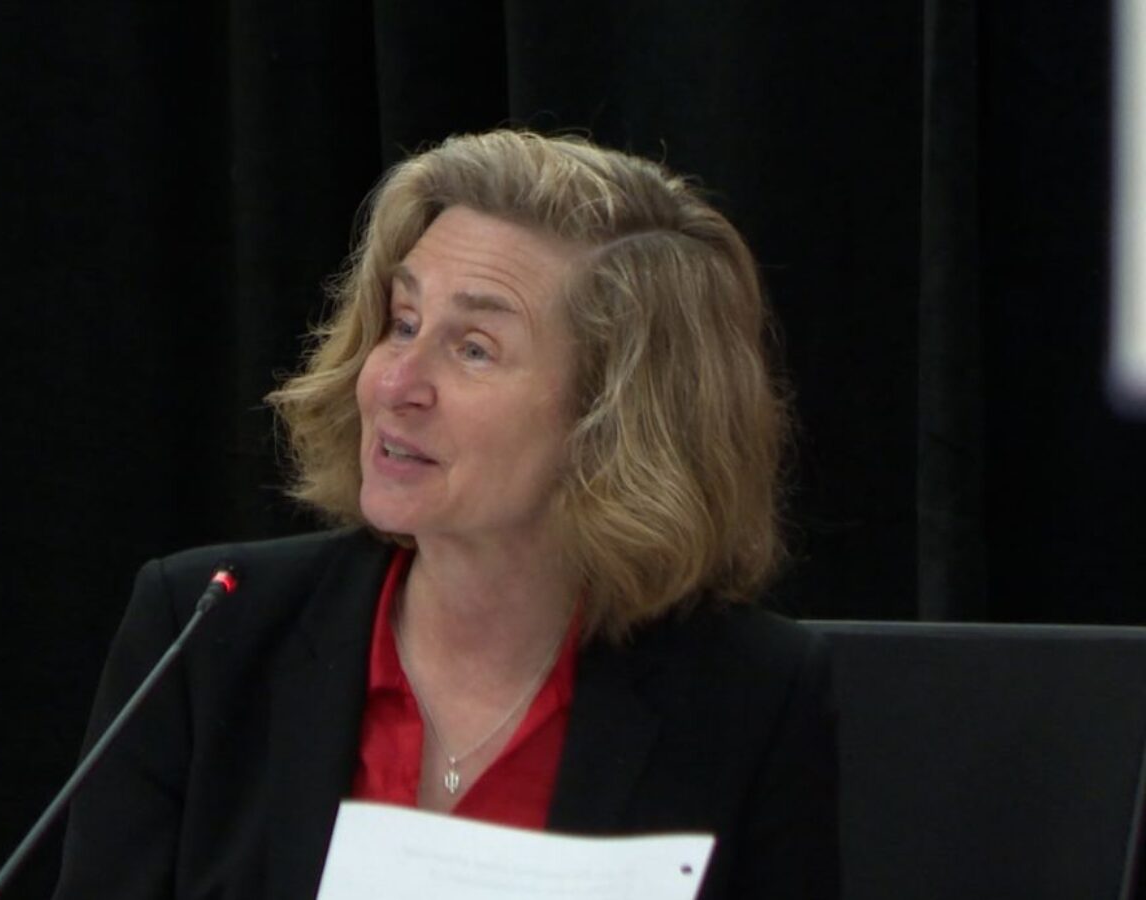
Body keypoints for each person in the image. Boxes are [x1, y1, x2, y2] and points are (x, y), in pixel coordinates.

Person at [51, 130, 838, 899]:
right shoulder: (207, 632)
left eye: (473, 349)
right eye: (402, 323)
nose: (395, 383)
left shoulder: (745, 695)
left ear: (616, 417)